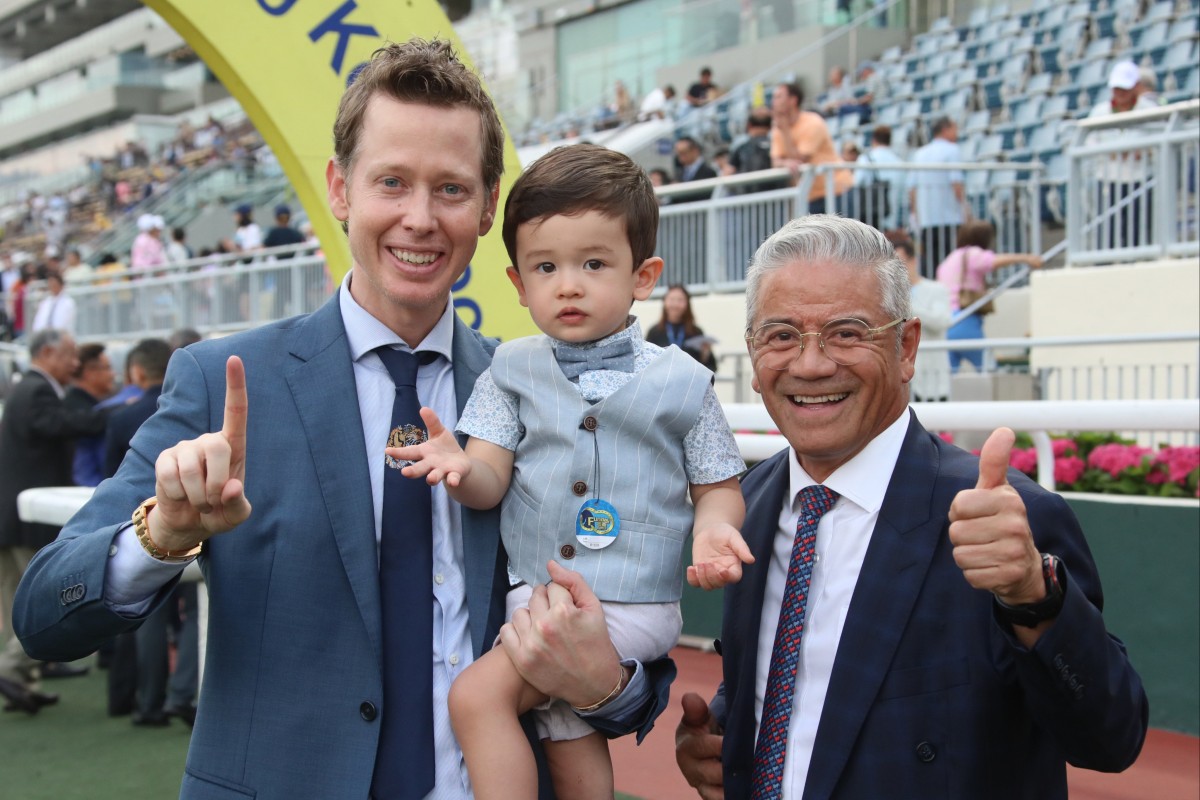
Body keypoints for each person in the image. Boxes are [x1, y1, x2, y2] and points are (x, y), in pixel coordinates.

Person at [14, 39, 672, 799]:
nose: (419, 219)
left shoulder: (544, 388)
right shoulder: (224, 383)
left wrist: (604, 686)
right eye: (391, 181)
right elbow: (43, 611)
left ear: (490, 205)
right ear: (339, 187)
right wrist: (160, 537)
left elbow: (627, 628)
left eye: (451, 189)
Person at [674, 215, 1147, 798]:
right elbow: (807, 679)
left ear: (907, 346)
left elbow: (1110, 739)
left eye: (848, 333)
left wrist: (1033, 598)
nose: (812, 363)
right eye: (781, 336)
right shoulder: (747, 503)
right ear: (752, 351)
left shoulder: (1004, 516)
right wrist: (723, 729)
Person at [389, 143, 749, 800]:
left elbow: (718, 485)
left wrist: (713, 532)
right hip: (539, 593)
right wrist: (457, 466)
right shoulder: (511, 370)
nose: (569, 283)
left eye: (594, 263)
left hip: (631, 597)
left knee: (476, 698)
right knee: (567, 739)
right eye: (546, 267)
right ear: (519, 286)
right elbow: (489, 481)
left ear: (643, 276)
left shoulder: (684, 381)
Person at [0, 329, 108, 714]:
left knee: (15, 602)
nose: (75, 364)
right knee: (39, 600)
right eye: (69, 355)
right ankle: (11, 669)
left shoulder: (23, 389)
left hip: (12, 515)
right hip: (26, 517)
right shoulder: (37, 390)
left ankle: (21, 685)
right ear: (47, 353)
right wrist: (105, 416)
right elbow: (56, 425)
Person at [935, 220, 1043, 373]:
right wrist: (1026, 258)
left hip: (947, 323)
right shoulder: (973, 254)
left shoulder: (949, 259)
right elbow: (993, 261)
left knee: (947, 378)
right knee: (988, 368)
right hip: (966, 321)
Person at [1087, 61, 1159, 250]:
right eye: (1117, 88)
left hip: (1140, 179)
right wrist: (1110, 153)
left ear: (1136, 86)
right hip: (1108, 181)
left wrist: (1144, 151)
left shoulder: (1150, 110)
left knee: (1138, 233)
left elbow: (1160, 143)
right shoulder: (1099, 112)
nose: (1120, 93)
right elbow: (1089, 143)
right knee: (1107, 234)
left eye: (1124, 89)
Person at [770, 82, 852, 214]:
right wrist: (785, 162)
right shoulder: (778, 128)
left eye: (779, 97)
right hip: (810, 195)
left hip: (836, 190)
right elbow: (775, 162)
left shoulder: (813, 122)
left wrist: (785, 131)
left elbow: (800, 159)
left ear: (793, 100)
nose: (773, 102)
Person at [908, 117, 968, 279]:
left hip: (927, 219)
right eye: (954, 129)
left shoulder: (919, 153)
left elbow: (912, 189)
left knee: (931, 264)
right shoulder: (952, 150)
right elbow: (956, 183)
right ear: (945, 129)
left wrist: (915, 214)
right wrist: (966, 211)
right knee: (951, 264)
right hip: (950, 218)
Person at [893, 235, 951, 401]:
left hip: (930, 376)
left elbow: (942, 321)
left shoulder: (936, 289)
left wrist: (906, 305)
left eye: (901, 262)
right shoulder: (886, 295)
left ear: (913, 261)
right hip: (900, 379)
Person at [65, 342, 116, 487]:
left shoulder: (88, 406)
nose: (113, 375)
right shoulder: (80, 412)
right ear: (90, 373)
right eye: (107, 368)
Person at [646, 283, 719, 372]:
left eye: (680, 300)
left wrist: (705, 355)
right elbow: (647, 364)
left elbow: (711, 368)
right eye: (672, 299)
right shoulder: (655, 332)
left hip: (689, 383)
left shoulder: (695, 332)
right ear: (664, 302)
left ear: (687, 304)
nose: (675, 304)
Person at [855, 124, 904, 232]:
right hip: (892, 216)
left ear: (873, 139)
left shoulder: (865, 159)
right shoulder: (899, 161)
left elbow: (856, 182)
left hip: (870, 215)